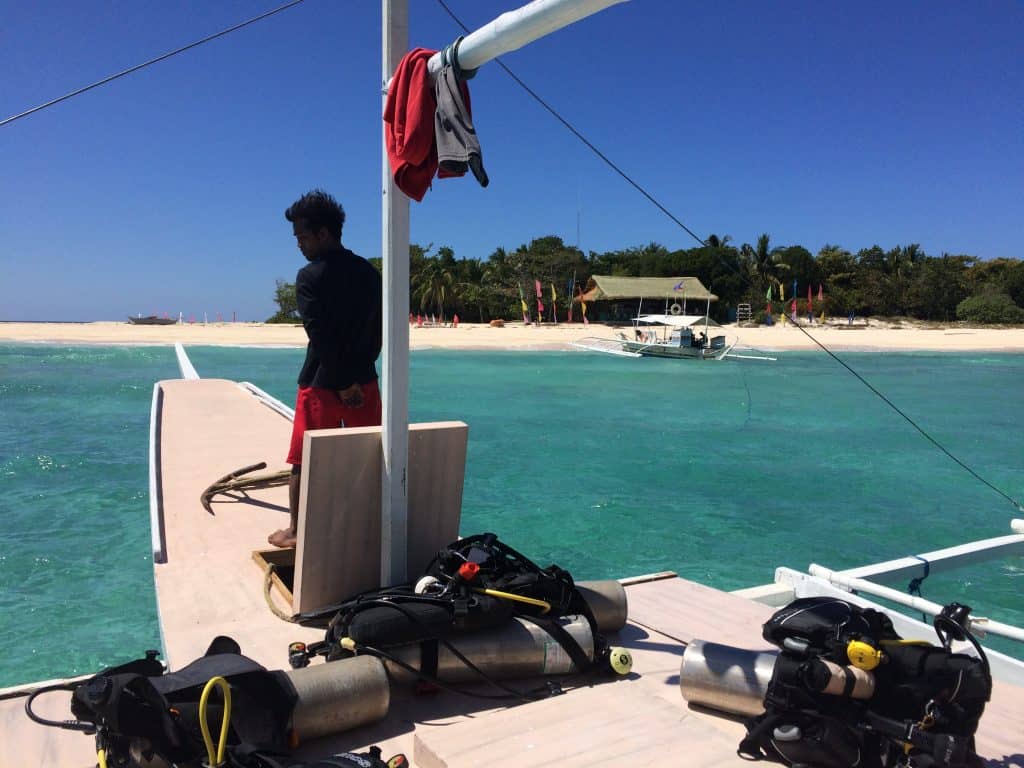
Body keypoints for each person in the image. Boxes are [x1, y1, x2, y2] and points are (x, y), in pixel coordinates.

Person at [268, 190, 383, 548]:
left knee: (305, 462)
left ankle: (298, 531)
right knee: (371, 455)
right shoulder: (368, 272)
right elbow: (376, 331)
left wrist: (343, 381)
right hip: (364, 383)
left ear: (323, 233)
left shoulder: (309, 277)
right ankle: (371, 526)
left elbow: (320, 336)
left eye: (302, 236)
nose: (299, 245)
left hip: (321, 384)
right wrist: (358, 377)